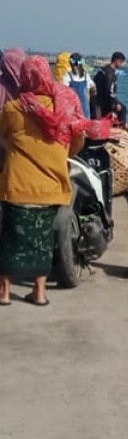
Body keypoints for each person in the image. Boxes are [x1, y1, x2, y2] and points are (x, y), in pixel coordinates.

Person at [0, 57, 90, 306]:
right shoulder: (65, 106)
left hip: (16, 186)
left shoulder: (14, 108)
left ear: (25, 78)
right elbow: (78, 141)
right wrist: (61, 153)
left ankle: (4, 292)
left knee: (7, 237)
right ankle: (39, 293)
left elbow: (2, 136)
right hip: (52, 186)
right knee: (43, 241)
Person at [91, 51, 126, 125]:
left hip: (97, 99)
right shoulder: (110, 74)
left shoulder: (102, 70)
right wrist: (116, 103)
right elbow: (109, 90)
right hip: (105, 101)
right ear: (117, 61)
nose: (121, 65)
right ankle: (122, 128)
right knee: (122, 108)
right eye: (121, 62)